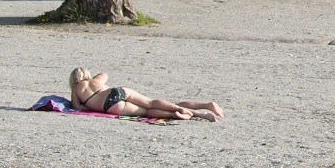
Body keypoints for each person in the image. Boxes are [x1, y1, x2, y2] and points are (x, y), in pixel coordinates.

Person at [66, 68, 222, 121]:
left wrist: (88, 103)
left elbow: (76, 106)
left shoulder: (76, 88)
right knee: (151, 102)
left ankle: (190, 115)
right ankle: (201, 108)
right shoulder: (96, 79)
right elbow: (104, 74)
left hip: (110, 105)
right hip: (117, 91)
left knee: (147, 112)